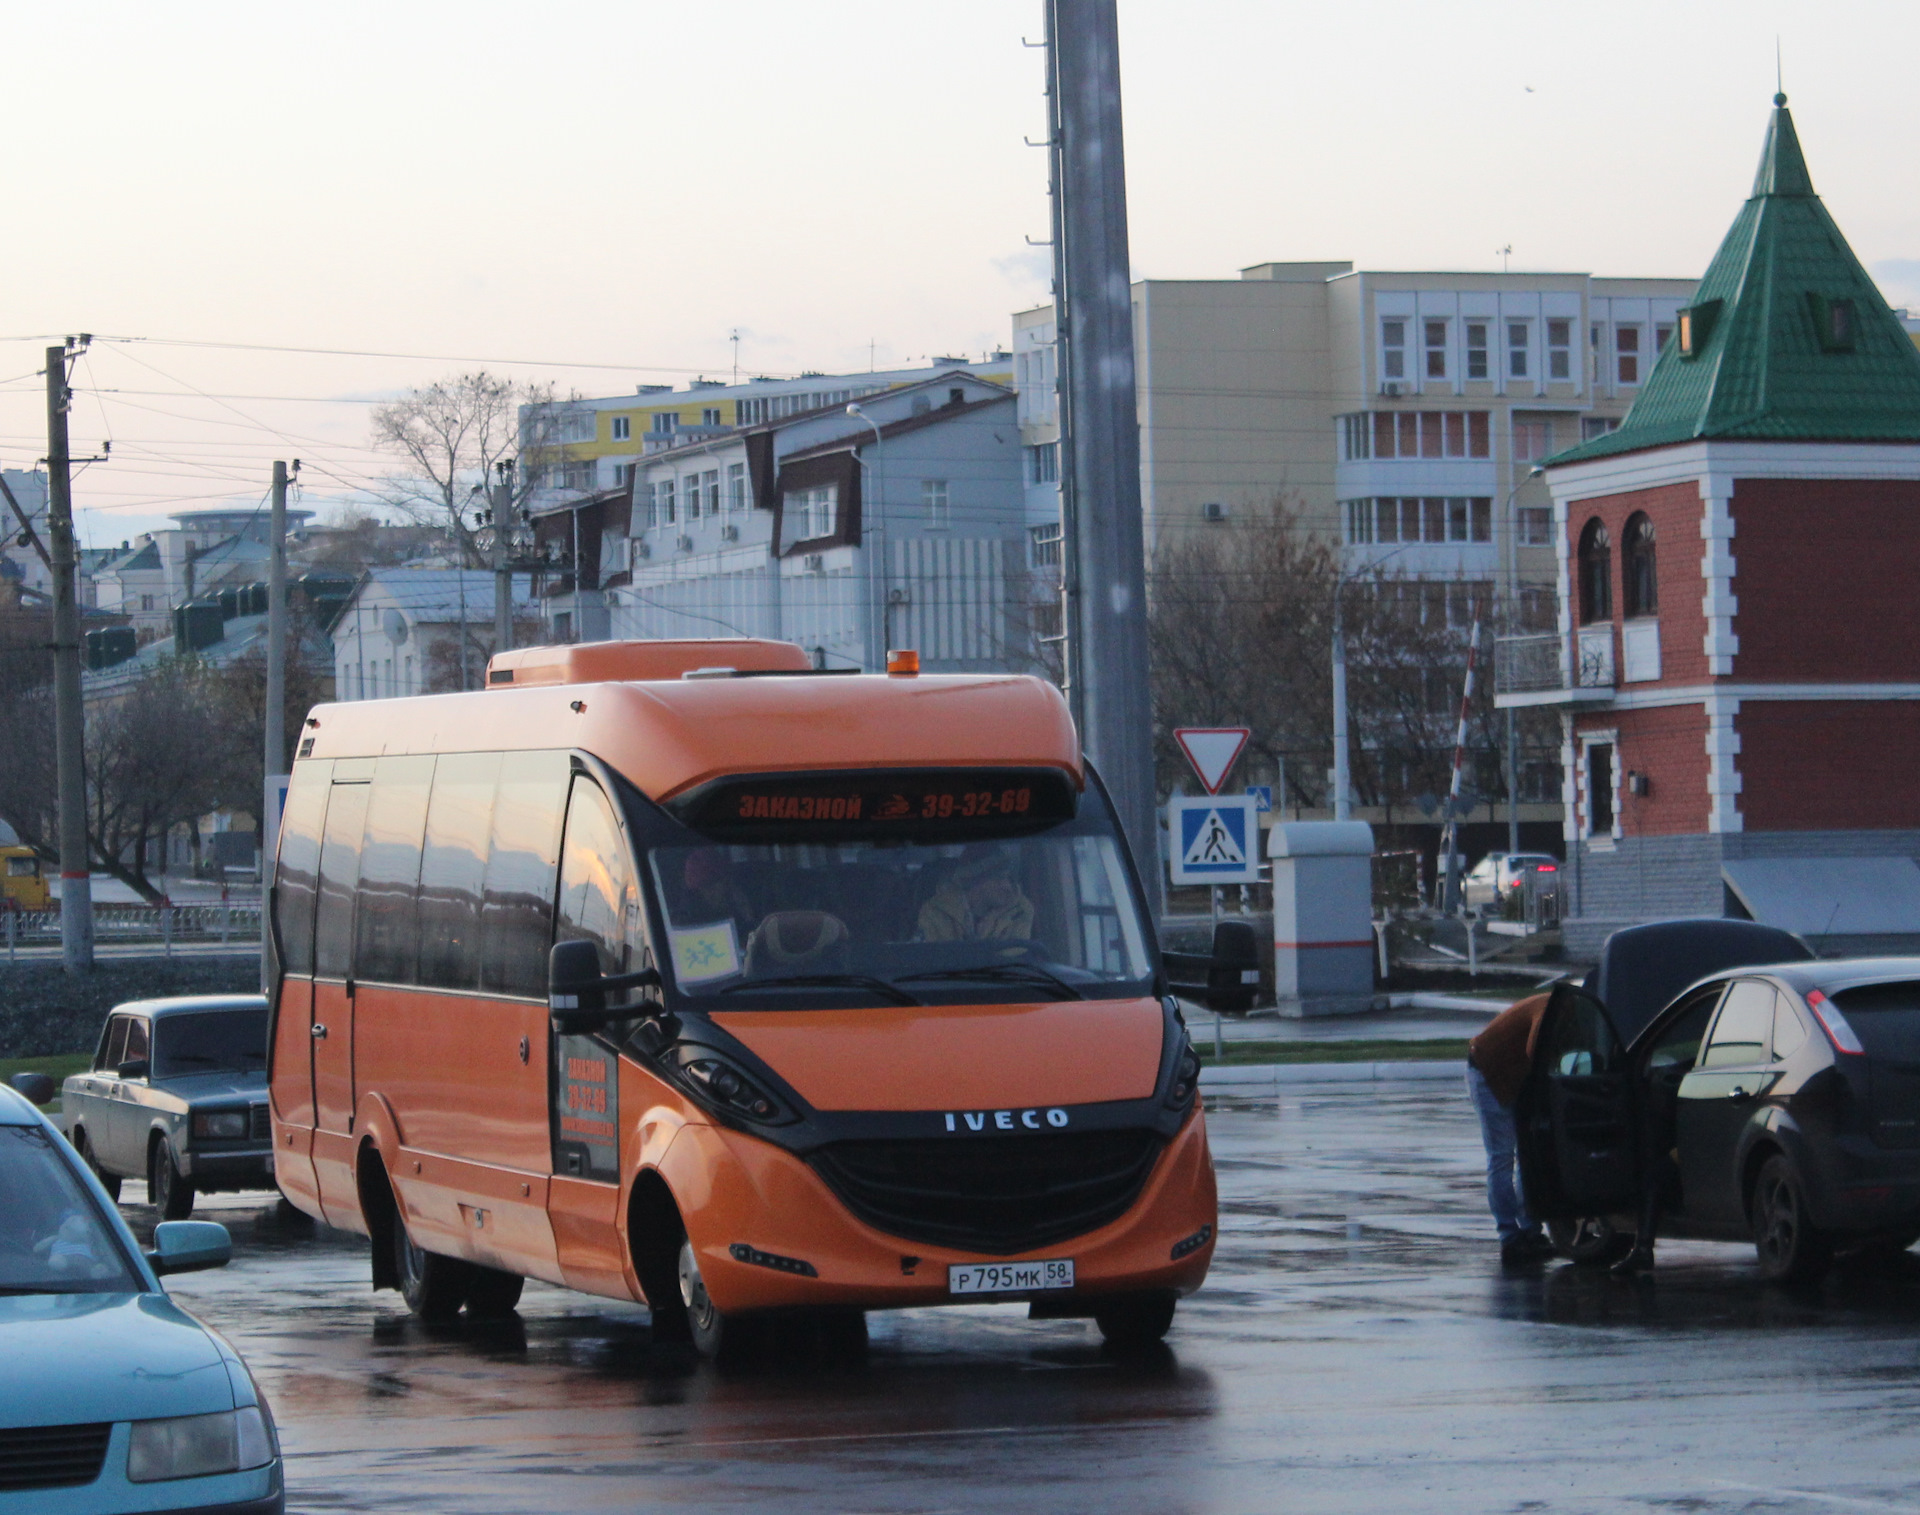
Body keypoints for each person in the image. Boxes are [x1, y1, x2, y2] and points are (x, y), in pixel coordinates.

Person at [1466, 991, 1556, 1265]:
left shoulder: (1559, 1008)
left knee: (1528, 1156)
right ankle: (1509, 1236)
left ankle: (1530, 1230)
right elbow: (1535, 1052)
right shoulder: (1549, 1011)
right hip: (1487, 1071)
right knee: (1502, 1156)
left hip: (1517, 1078)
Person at [917, 851, 1034, 942]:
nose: (1007, 887)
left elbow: (1014, 959)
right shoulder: (934, 911)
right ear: (976, 880)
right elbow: (937, 960)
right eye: (998, 879)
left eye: (1008, 878)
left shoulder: (1019, 910)